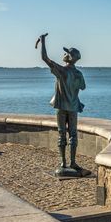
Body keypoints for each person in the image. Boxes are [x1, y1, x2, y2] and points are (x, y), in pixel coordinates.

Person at [38, 33, 88, 176]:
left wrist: (42, 41)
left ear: (70, 57)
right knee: (73, 134)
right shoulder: (79, 74)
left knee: (62, 134)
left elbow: (44, 58)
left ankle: (63, 163)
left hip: (61, 108)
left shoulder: (61, 71)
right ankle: (71, 162)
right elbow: (82, 87)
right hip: (73, 107)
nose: (64, 54)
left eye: (66, 53)